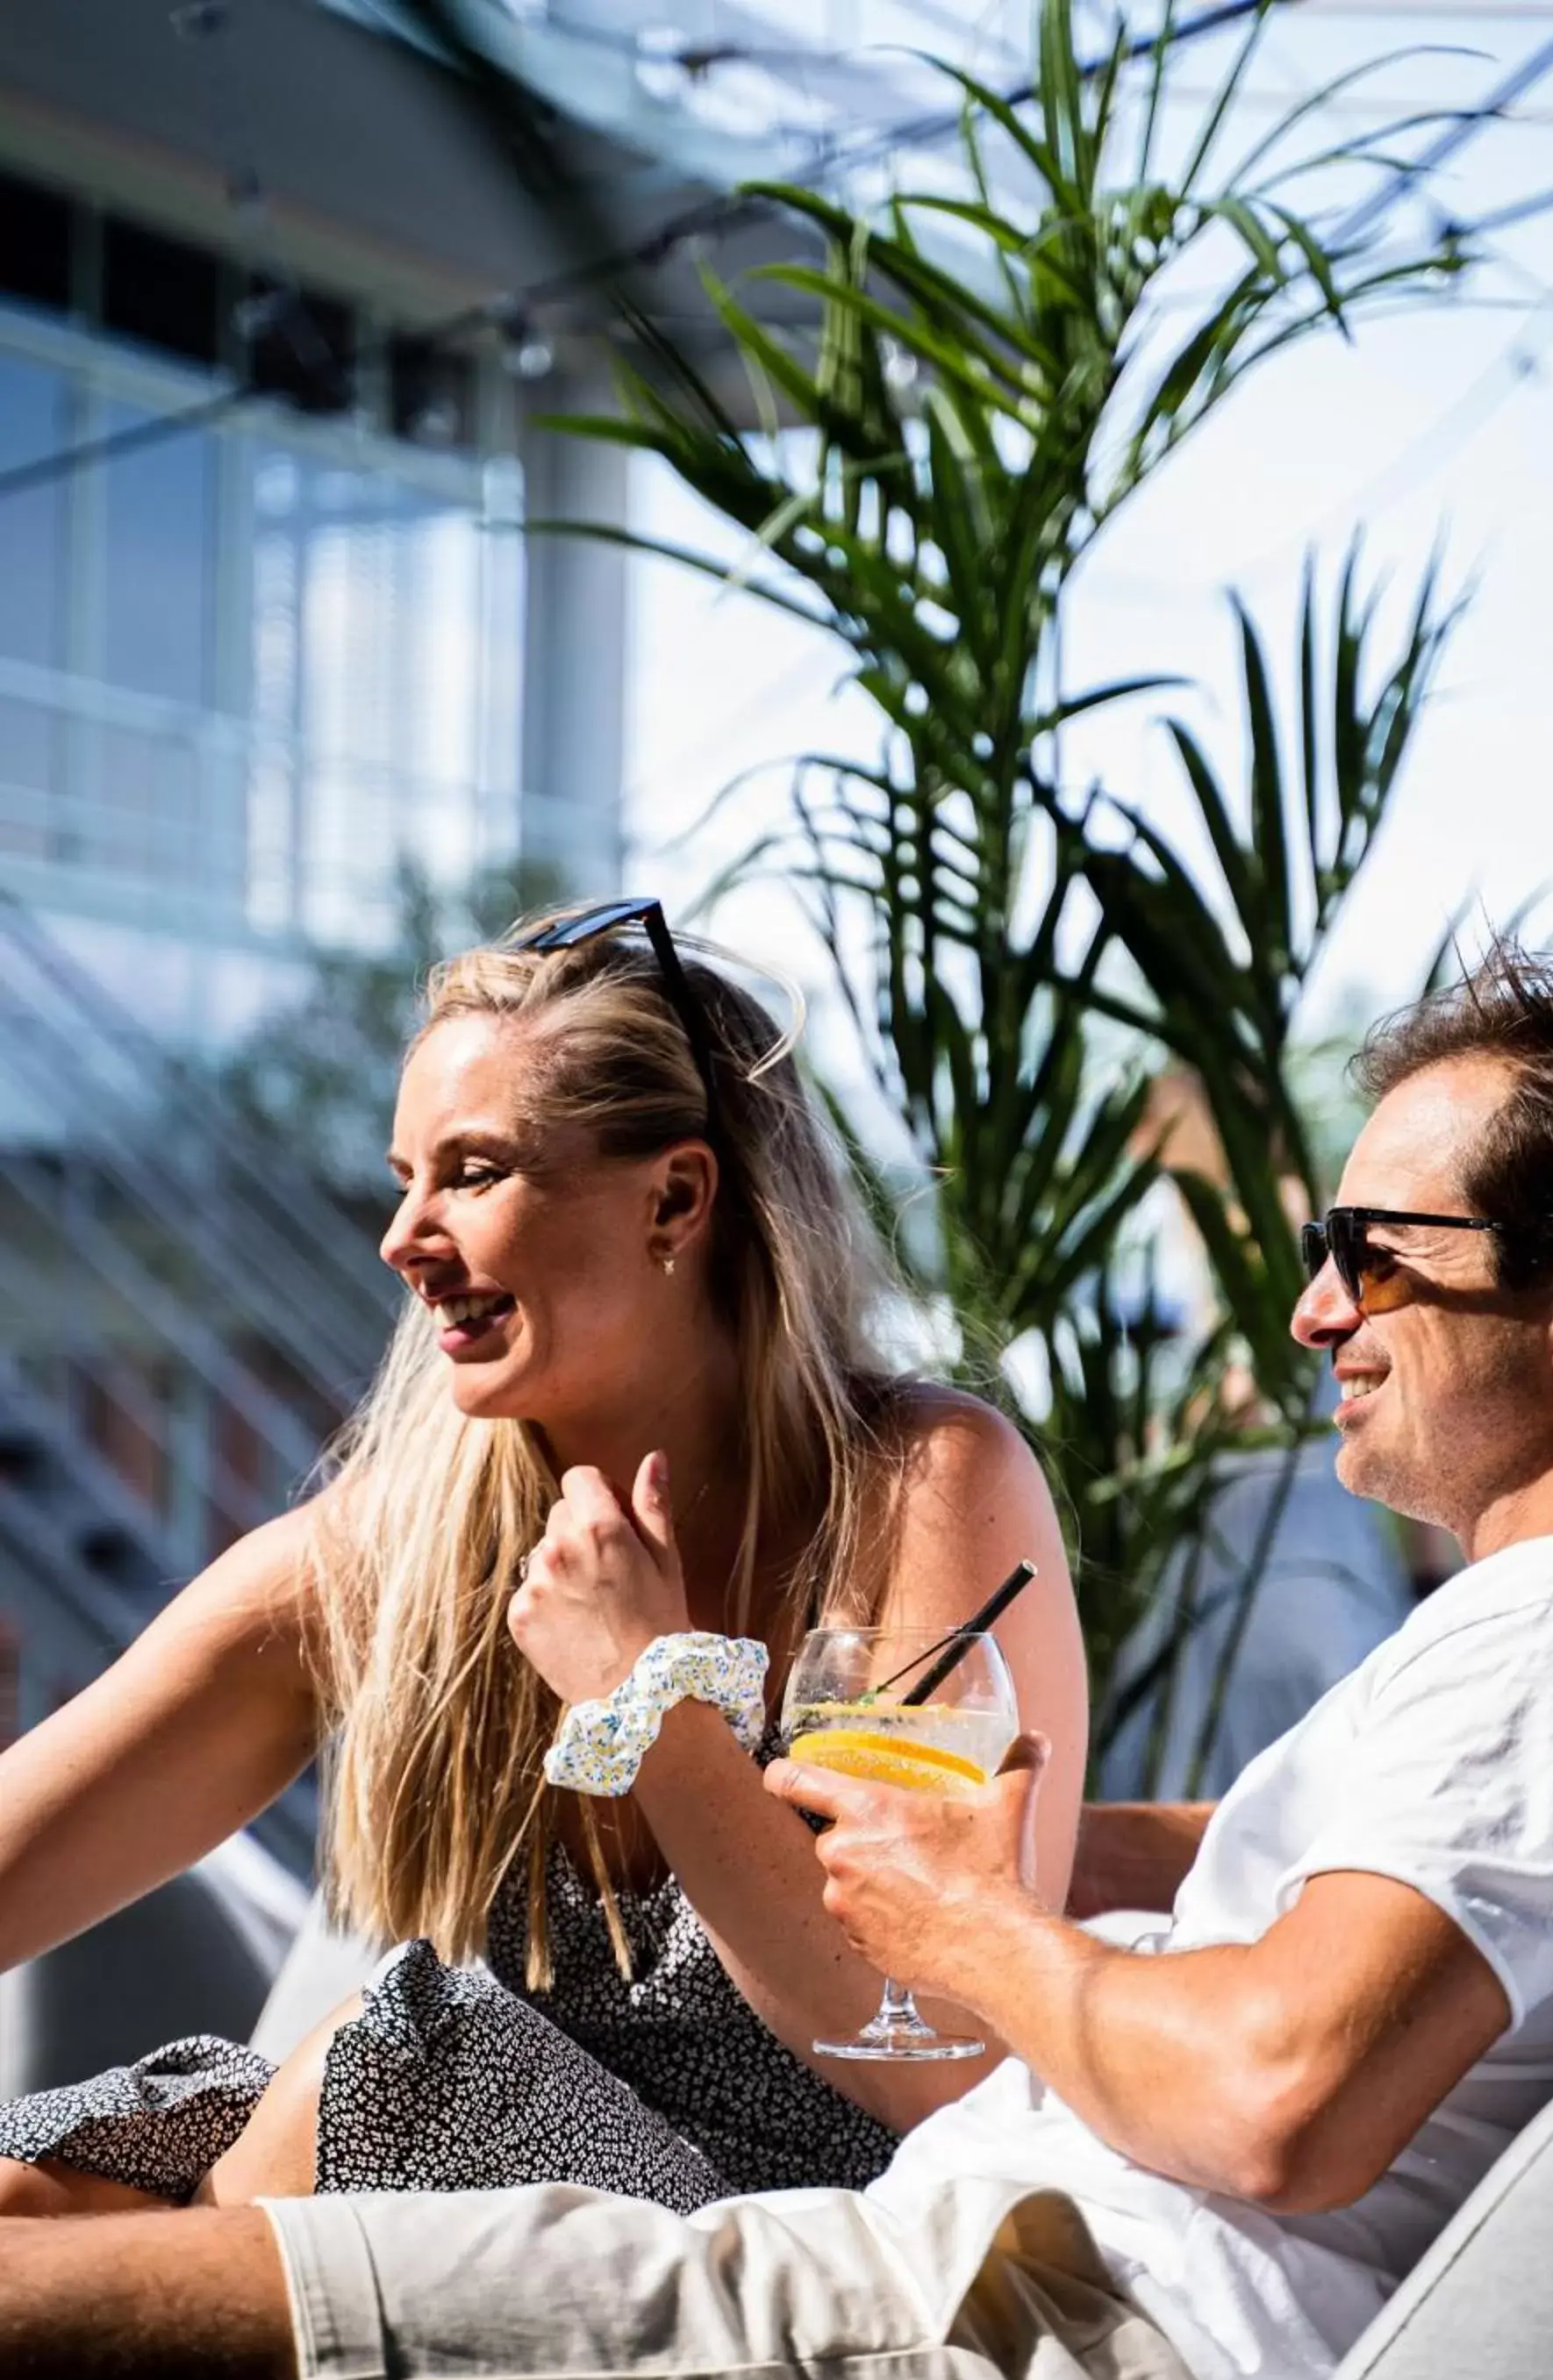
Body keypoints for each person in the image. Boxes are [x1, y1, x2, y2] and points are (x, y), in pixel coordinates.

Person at [7, 946, 1553, 2380]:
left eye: (1368, 1257)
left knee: (109, 2332)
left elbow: (1269, 2097)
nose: (1310, 1311)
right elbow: (1350, 1909)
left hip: (1041, 2355)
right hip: (990, 2306)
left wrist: (938, 1889)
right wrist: (1055, 1860)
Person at [0, 901, 1085, 2219]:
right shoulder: (408, 1543)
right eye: (406, 1176)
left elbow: (925, 2062)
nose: (403, 1237)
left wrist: (649, 1699)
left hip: (780, 2224)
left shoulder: (921, 1484)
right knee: (37, 2200)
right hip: (432, 2187)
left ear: (676, 1196)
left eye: (472, 1172)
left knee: (388, 2067)